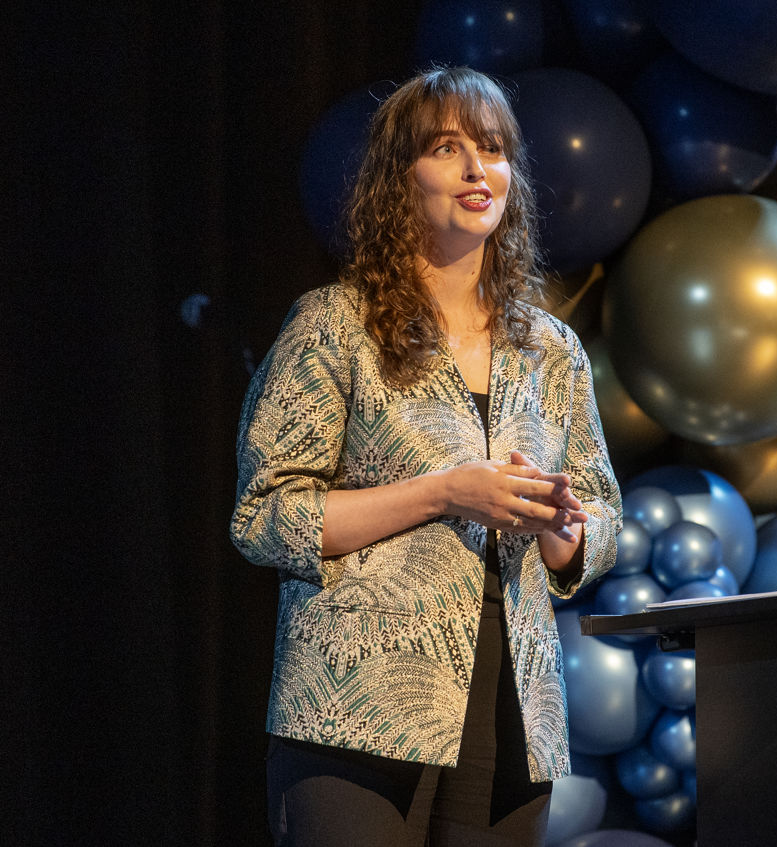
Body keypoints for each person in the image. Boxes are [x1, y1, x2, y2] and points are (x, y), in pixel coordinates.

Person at [230, 66, 621, 846]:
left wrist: (566, 529)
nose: (477, 169)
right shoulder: (335, 325)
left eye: (493, 148)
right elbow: (265, 516)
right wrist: (444, 492)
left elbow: (603, 512)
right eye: (447, 148)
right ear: (398, 180)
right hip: (358, 711)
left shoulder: (550, 349)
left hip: (514, 717)